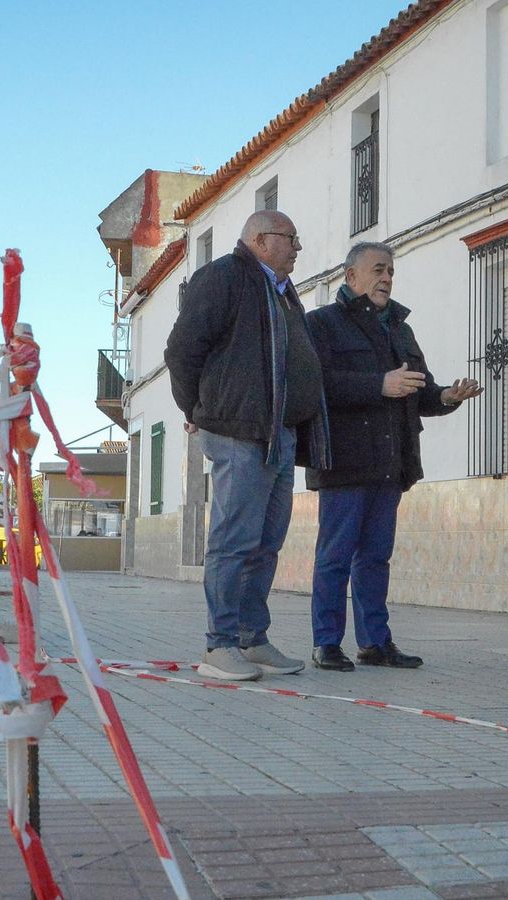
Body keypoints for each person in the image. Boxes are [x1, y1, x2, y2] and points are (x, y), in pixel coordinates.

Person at [166, 209, 331, 681]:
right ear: (260, 239)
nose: (298, 247)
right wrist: (194, 409)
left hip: (277, 434)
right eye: (290, 238)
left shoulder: (281, 293)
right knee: (233, 542)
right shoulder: (222, 278)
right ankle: (218, 647)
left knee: (266, 544)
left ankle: (250, 639)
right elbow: (181, 350)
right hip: (239, 431)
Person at [305, 242, 481, 671]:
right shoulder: (322, 324)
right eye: (378, 270)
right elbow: (315, 386)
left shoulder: (400, 329)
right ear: (351, 276)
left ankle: (375, 643)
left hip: (391, 463)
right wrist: (376, 385)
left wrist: (447, 396)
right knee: (335, 556)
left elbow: (418, 392)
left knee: (376, 557)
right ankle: (327, 643)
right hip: (344, 462)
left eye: (391, 272)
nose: (387, 278)